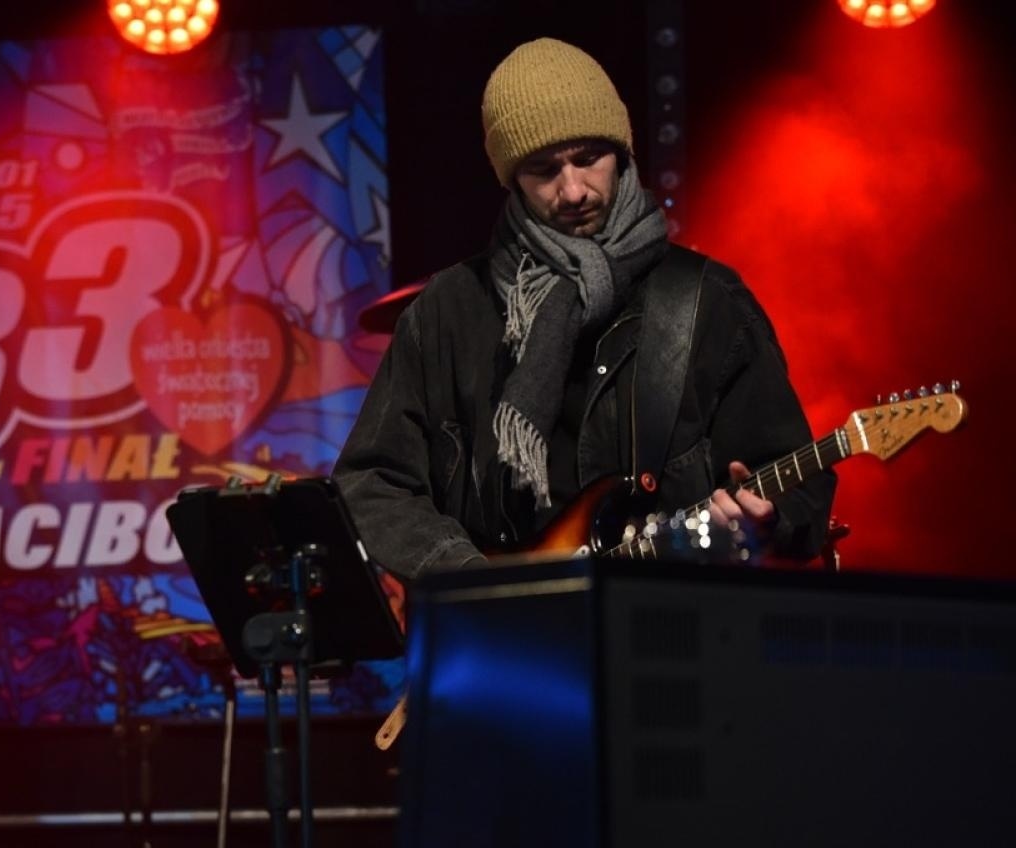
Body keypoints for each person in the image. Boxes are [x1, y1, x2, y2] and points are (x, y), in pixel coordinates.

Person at [334, 38, 834, 581]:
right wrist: (469, 577)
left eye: (588, 158)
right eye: (544, 169)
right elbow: (372, 482)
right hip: (502, 641)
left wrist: (771, 519)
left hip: (672, 630)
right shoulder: (448, 312)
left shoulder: (707, 302)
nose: (573, 190)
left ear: (621, 150)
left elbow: (800, 487)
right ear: (511, 178)